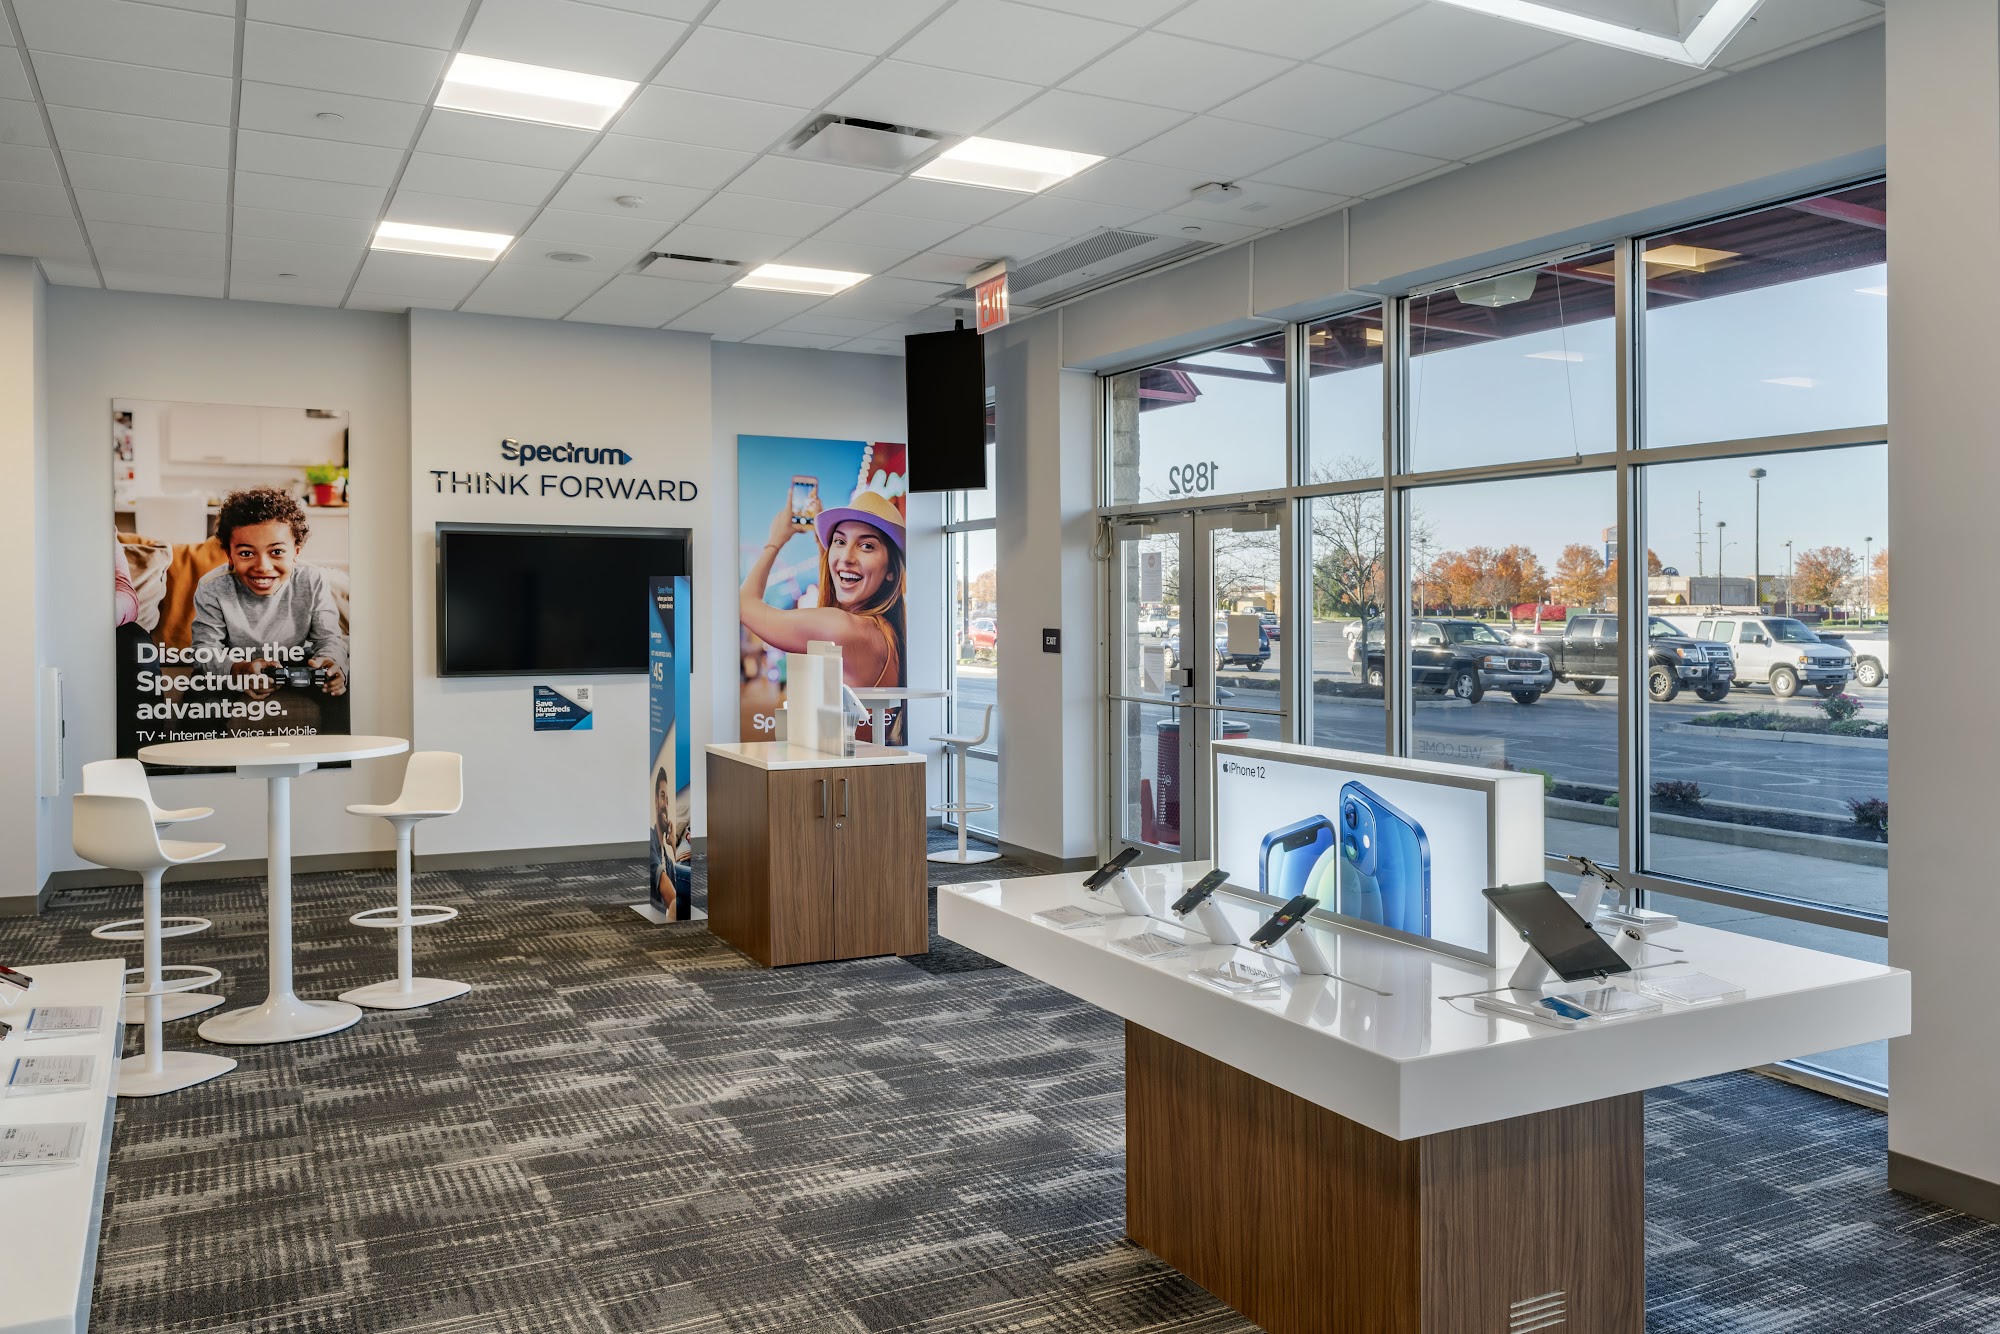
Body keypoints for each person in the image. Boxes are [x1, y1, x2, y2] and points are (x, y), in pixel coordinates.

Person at [192, 486, 348, 718]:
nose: (263, 567)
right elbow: (205, 650)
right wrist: (238, 670)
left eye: (276, 552)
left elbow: (328, 638)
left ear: (296, 552)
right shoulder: (212, 587)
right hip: (237, 662)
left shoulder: (312, 579)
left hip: (298, 662)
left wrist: (331, 662)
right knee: (201, 703)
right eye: (246, 553)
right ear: (229, 555)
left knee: (345, 692)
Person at [739, 489, 906, 696]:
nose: (846, 557)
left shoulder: (845, 628)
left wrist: (775, 541)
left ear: (891, 570)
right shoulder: (885, 632)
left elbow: (743, 603)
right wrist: (821, 545)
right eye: (840, 542)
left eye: (866, 546)